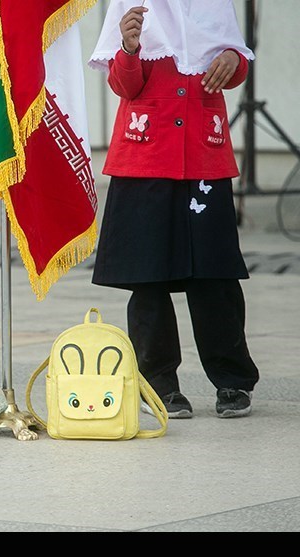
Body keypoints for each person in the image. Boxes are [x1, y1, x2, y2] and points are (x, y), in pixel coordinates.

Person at [88, 0, 259, 419]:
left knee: (215, 276)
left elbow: (235, 66)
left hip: (204, 155)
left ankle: (233, 381)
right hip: (144, 160)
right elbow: (123, 87)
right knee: (148, 277)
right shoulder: (131, 5)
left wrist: (231, 58)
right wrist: (129, 49)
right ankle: (159, 384)